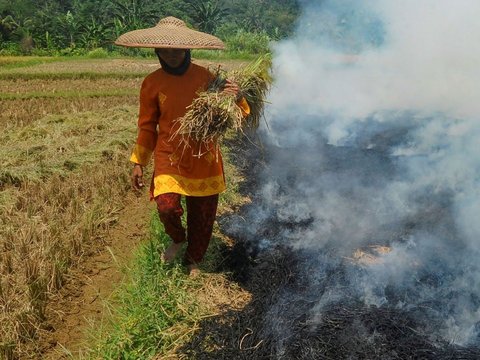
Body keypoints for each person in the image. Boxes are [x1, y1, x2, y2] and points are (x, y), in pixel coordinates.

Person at [115, 17, 249, 275]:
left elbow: (232, 116)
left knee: (203, 215)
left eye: (177, 49)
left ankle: (194, 259)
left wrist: (238, 97)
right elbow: (146, 126)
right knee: (166, 206)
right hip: (170, 155)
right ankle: (178, 238)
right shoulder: (151, 83)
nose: (172, 55)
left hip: (204, 156)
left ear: (187, 49)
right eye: (165, 50)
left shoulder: (207, 78)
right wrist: (138, 162)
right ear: (157, 51)